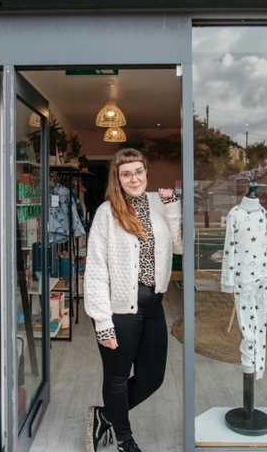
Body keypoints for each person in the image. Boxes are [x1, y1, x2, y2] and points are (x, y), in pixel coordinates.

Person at [84, 148, 182, 452]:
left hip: (154, 306)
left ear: (147, 173)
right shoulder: (107, 213)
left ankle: (105, 416)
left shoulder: (158, 204)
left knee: (152, 378)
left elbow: (179, 246)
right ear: (118, 178)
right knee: (117, 377)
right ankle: (125, 442)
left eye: (139, 171)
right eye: (126, 173)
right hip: (120, 308)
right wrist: (103, 322)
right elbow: (96, 270)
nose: (134, 178)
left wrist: (171, 206)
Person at [221, 183, 267, 379]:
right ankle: (248, 366)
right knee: (247, 328)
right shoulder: (234, 214)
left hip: (261, 275)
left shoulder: (264, 214)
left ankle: (257, 368)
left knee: (260, 324)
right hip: (242, 278)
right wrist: (227, 279)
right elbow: (229, 247)